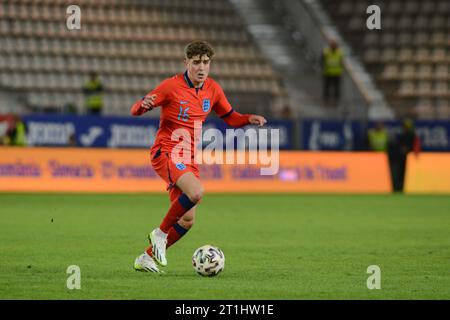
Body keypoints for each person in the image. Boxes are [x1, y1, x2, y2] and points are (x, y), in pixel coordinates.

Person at [130, 41, 267, 273]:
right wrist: (143, 105)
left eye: (206, 62)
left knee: (187, 220)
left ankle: (146, 257)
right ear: (187, 63)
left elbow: (230, 116)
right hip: (167, 152)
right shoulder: (170, 87)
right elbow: (136, 110)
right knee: (196, 192)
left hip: (188, 157)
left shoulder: (212, 89)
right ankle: (159, 234)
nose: (201, 67)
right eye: (196, 63)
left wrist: (248, 119)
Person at [322, 39, 344, 106]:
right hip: (328, 73)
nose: (333, 46)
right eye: (332, 45)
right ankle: (326, 101)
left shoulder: (340, 53)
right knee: (327, 88)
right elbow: (322, 61)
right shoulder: (326, 52)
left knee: (336, 88)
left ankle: (336, 101)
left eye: (334, 45)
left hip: (337, 73)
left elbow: (341, 62)